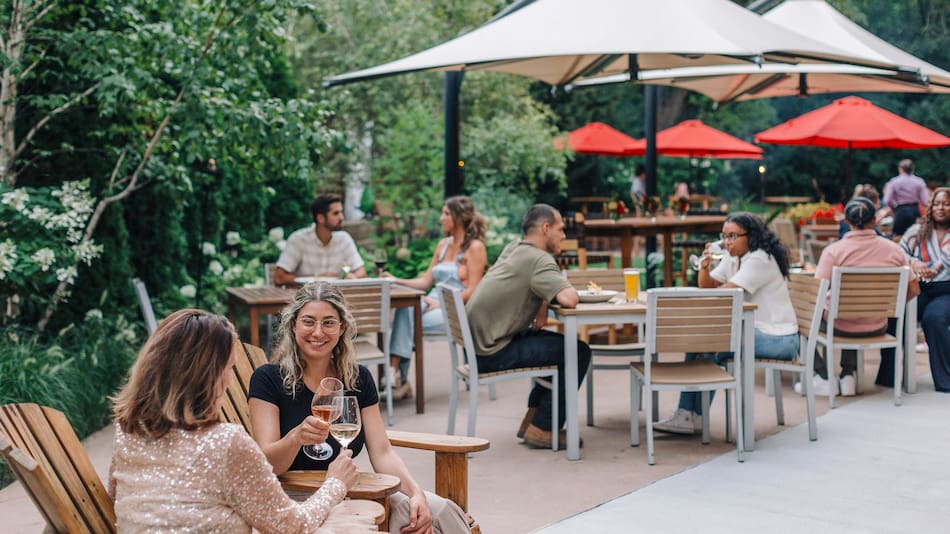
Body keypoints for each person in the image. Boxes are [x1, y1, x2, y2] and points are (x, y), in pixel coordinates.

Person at [109, 309, 362, 533]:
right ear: (208, 376)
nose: (230, 379)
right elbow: (291, 526)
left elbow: (117, 500)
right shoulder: (226, 442)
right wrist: (335, 484)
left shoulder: (128, 431)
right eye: (229, 368)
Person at [247, 282, 470, 534]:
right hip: (297, 497)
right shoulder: (268, 379)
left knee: (438, 510)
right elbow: (268, 464)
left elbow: (382, 452)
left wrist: (416, 493)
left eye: (328, 323)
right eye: (308, 322)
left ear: (342, 327)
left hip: (352, 489)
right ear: (293, 325)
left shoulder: (358, 378)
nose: (318, 332)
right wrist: (295, 438)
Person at [654, 212, 799, 434]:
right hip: (756, 332)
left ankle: (692, 415)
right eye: (724, 236)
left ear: (751, 236)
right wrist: (704, 267)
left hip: (779, 338)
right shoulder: (734, 257)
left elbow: (723, 294)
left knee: (712, 341)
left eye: (733, 236)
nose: (727, 242)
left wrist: (711, 285)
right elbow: (708, 287)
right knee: (700, 340)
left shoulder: (760, 259)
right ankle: (688, 415)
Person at [465, 204, 592, 449]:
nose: (564, 236)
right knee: (577, 351)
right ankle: (544, 428)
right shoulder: (540, 259)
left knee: (557, 346)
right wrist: (550, 293)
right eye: (560, 229)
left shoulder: (514, 248)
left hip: (479, 347)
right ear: (546, 228)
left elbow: (529, 280)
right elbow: (570, 299)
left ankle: (534, 421)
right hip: (494, 352)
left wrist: (543, 299)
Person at [798, 198, 920, 397]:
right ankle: (848, 375)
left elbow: (817, 293)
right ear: (874, 220)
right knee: (849, 311)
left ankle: (823, 376)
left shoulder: (834, 251)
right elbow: (914, 288)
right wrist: (893, 305)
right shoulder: (894, 250)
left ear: (846, 221)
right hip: (877, 325)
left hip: (839, 326)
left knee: (799, 322)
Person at [383, 196, 487, 400]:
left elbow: (474, 290)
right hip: (430, 304)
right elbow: (425, 281)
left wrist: (440, 303)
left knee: (408, 317)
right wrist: (395, 280)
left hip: (457, 308)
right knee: (407, 309)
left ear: (459, 217)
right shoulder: (443, 245)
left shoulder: (475, 247)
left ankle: (395, 373)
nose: (441, 218)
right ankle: (396, 376)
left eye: (446, 213)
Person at [900, 187, 950, 393]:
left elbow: (943, 262)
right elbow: (899, 253)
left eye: (946, 204)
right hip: (918, 287)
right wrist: (914, 262)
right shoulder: (917, 231)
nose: (941, 208)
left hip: (946, 290)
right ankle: (891, 375)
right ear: (930, 207)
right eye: (937, 204)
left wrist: (930, 268)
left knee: (934, 318)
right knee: (899, 314)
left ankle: (945, 380)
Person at [275, 193, 366, 285]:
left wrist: (352, 276)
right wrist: (316, 279)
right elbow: (279, 278)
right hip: (306, 293)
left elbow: (361, 272)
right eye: (336, 213)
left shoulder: (344, 239)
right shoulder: (298, 239)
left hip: (336, 293)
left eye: (341, 212)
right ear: (320, 218)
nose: (341, 217)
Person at [882, 159, 928, 237]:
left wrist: (893, 208)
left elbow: (887, 200)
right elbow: (925, 201)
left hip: (900, 211)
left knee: (899, 236)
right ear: (913, 169)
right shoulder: (919, 181)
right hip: (914, 211)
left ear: (900, 169)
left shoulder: (894, 181)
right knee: (915, 235)